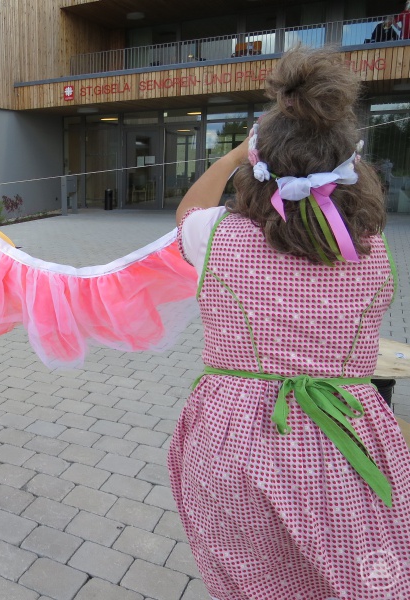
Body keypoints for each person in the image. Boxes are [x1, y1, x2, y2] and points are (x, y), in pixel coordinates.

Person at [169, 47, 410, 599]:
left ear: (259, 162)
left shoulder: (219, 237)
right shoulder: (372, 252)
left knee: (251, 576)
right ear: (352, 168)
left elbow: (186, 212)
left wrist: (235, 155)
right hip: (345, 435)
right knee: (348, 576)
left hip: (234, 440)